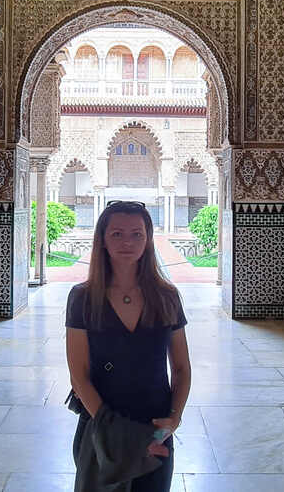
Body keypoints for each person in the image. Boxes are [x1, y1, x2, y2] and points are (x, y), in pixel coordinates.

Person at [66, 200, 192, 492]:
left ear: (148, 240)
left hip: (154, 427)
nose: (128, 242)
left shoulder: (166, 296)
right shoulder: (83, 298)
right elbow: (79, 375)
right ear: (103, 240)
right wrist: (113, 429)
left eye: (137, 234)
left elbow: (182, 367)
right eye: (117, 234)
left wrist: (173, 419)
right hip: (101, 425)